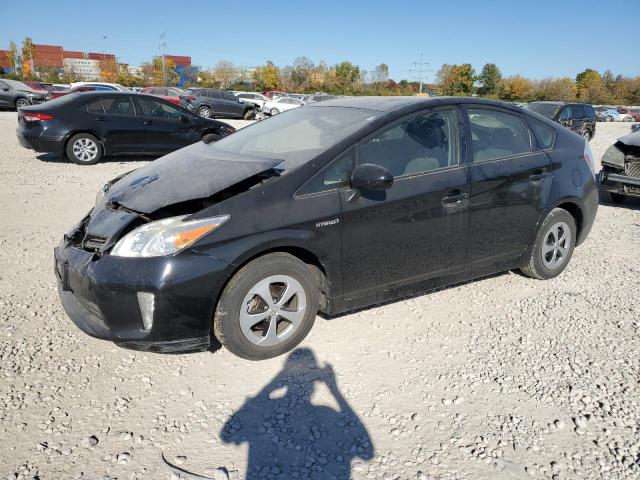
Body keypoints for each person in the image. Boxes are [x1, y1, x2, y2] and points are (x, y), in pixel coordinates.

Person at [221, 348, 374, 479]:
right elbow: (367, 451)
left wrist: (272, 384)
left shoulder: (271, 407)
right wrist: (334, 390)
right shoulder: (327, 413)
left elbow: (226, 435)